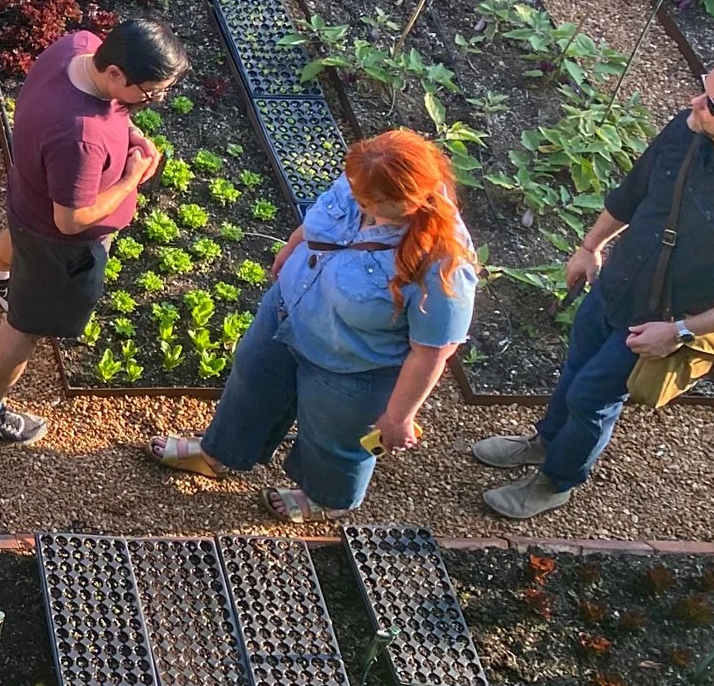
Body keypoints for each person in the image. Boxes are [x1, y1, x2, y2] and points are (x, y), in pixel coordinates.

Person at [150, 131, 477, 523]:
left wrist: (399, 416)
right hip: (285, 315)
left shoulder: (444, 265)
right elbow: (319, 221)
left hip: (352, 364)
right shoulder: (364, 178)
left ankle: (327, 498)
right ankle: (219, 453)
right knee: (249, 386)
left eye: (368, 201)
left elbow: (432, 350)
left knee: (336, 440)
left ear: (407, 202)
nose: (356, 200)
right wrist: (292, 247)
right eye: (354, 188)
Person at [472, 58, 714, 519]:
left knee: (592, 396)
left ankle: (557, 481)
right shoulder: (690, 128)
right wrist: (589, 246)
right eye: (701, 89)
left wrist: (679, 332)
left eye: (712, 104)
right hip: (615, 285)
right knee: (575, 369)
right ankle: (546, 441)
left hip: (664, 321)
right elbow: (634, 190)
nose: (695, 103)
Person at [0, 18, 187, 446]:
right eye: (151, 91)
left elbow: (109, 111)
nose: (157, 99)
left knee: (21, 235)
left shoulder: (79, 46)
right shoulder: (80, 139)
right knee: (23, 325)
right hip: (60, 243)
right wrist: (129, 179)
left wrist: (132, 132)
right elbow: (72, 220)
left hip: (29, 198)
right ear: (116, 73)